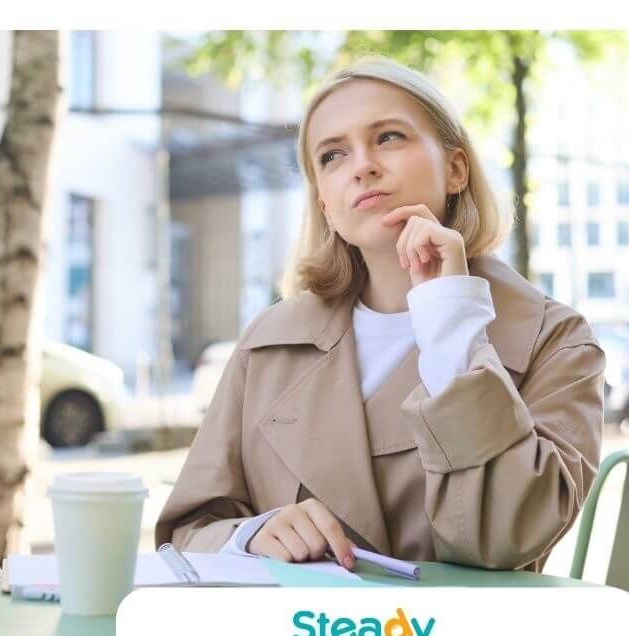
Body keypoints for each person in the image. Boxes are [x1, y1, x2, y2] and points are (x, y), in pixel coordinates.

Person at [153, 56, 605, 572]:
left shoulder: (556, 340)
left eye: (389, 137)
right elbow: (187, 534)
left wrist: (449, 321)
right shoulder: (269, 341)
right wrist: (251, 537)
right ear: (324, 203)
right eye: (332, 156)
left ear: (455, 169)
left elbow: (508, 538)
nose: (362, 166)